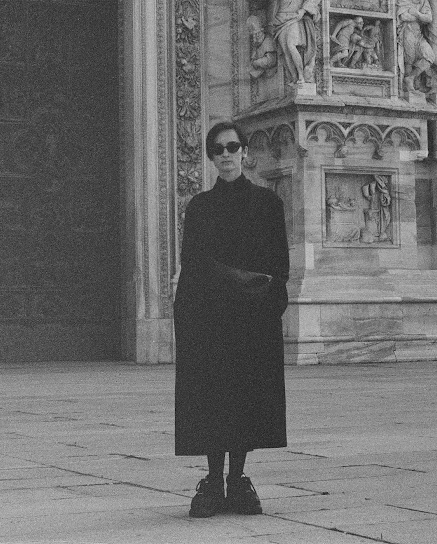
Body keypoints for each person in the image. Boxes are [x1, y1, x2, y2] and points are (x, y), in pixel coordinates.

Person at [174, 121, 289, 518]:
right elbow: (192, 264)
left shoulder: (267, 204)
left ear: (244, 152)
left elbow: (279, 265)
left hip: (251, 319)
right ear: (210, 156)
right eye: (218, 149)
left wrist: (266, 301)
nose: (225, 154)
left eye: (232, 147)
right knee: (212, 398)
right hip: (211, 319)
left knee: (244, 399)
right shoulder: (200, 207)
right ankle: (212, 479)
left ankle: (238, 478)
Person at [270, 0, 321, 85]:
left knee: (291, 45)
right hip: (280, 18)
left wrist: (303, 10)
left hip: (295, 16)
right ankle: (294, 78)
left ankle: (301, 76)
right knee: (285, 52)